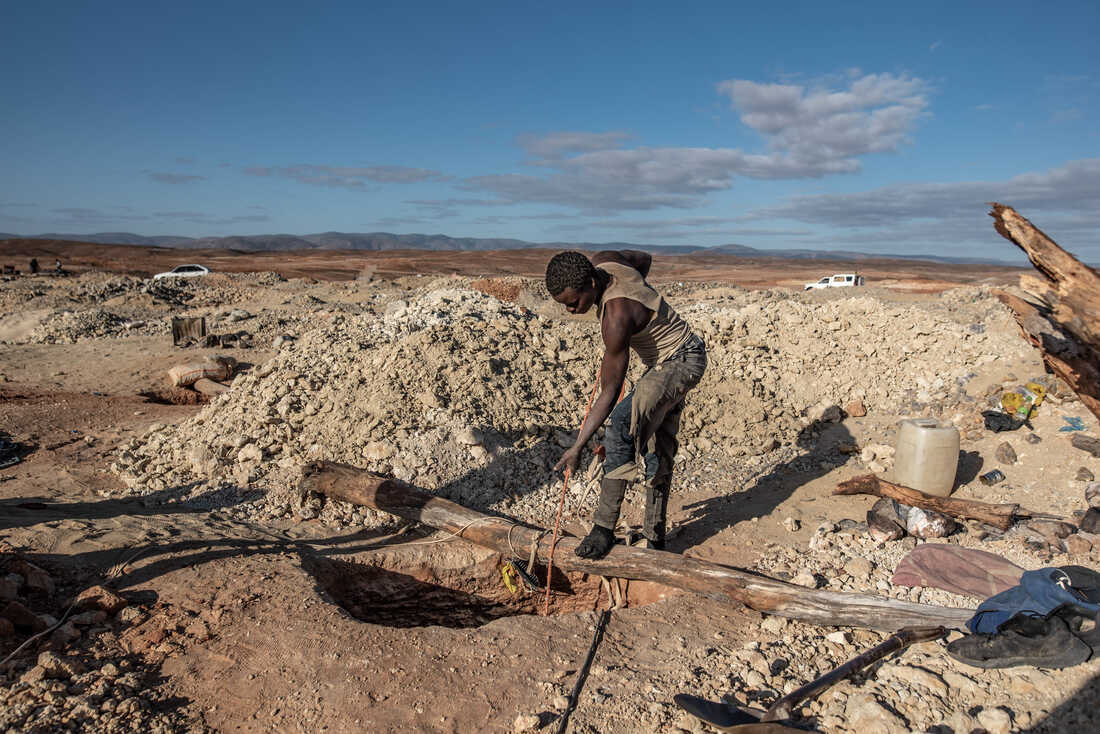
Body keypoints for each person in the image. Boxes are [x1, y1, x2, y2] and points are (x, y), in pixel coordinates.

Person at [546, 250, 707, 559]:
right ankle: (655, 539)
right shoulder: (606, 260)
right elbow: (643, 259)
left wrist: (578, 446)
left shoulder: (616, 318)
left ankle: (602, 530)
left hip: (680, 363)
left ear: (592, 283)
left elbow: (610, 390)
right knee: (657, 447)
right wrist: (643, 295)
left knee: (621, 424)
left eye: (573, 302)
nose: (569, 309)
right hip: (680, 355)